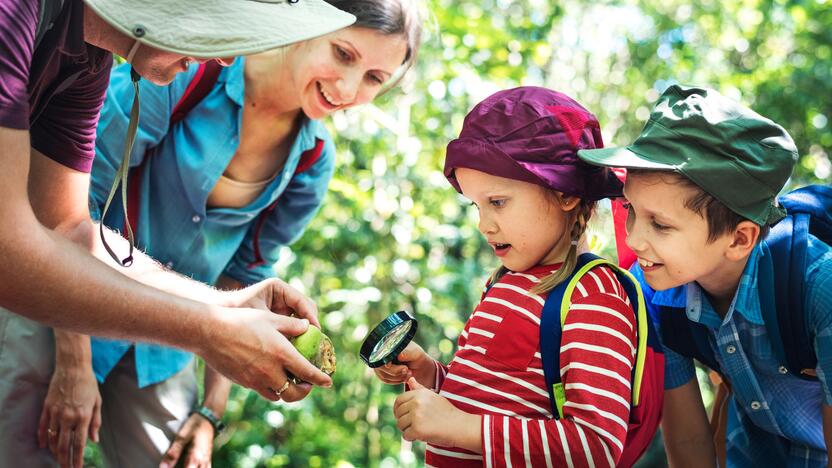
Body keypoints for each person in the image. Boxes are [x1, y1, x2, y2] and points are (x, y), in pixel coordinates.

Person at [29, 1, 422, 466]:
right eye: (343, 54)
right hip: (56, 308)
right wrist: (74, 360)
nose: (350, 88)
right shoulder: (187, 68)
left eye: (375, 78)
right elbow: (65, 209)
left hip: (166, 351)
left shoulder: (313, 159)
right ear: (305, 28)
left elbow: (244, 277)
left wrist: (210, 411)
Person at [374, 87, 663, 467]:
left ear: (565, 194)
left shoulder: (593, 294)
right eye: (477, 205)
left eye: (497, 202)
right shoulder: (502, 285)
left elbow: (595, 445)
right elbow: (496, 400)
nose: (483, 224)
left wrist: (461, 428)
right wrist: (430, 374)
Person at [578, 85, 832, 467]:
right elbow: (687, 439)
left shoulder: (816, 288)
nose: (632, 238)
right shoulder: (654, 297)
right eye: (630, 209)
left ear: (739, 238)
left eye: (660, 225)